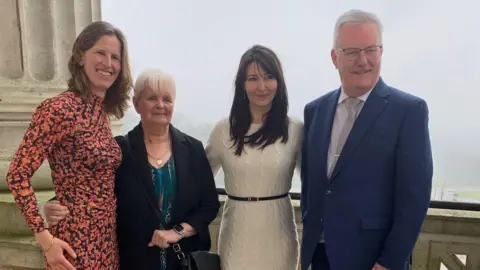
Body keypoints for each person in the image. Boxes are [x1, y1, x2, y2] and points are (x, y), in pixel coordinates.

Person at [44, 69, 221, 270]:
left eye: (167, 99)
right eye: (152, 98)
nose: (160, 105)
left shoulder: (193, 149)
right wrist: (51, 207)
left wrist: (178, 232)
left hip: (184, 262)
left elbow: (209, 205)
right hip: (134, 260)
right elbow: (88, 190)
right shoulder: (118, 151)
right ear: (136, 104)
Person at [300, 9, 433, 270]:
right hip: (319, 257)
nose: (363, 60)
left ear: (381, 52)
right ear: (334, 57)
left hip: (373, 260)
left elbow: (414, 199)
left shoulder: (409, 111)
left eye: (371, 49)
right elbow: (311, 185)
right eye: (351, 52)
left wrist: (389, 262)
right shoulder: (315, 111)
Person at [6, 21, 133, 270]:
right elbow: (17, 174)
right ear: (80, 56)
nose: (108, 63)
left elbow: (82, 172)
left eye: (115, 57)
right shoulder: (58, 109)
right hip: (73, 243)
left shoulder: (102, 113)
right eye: (100, 53)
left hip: (106, 241)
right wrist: (44, 237)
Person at [206, 44, 302, 270]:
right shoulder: (223, 131)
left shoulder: (295, 129)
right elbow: (198, 181)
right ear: (242, 84)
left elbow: (316, 183)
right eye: (252, 78)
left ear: (279, 82)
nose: (262, 86)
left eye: (269, 77)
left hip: (280, 234)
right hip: (237, 233)